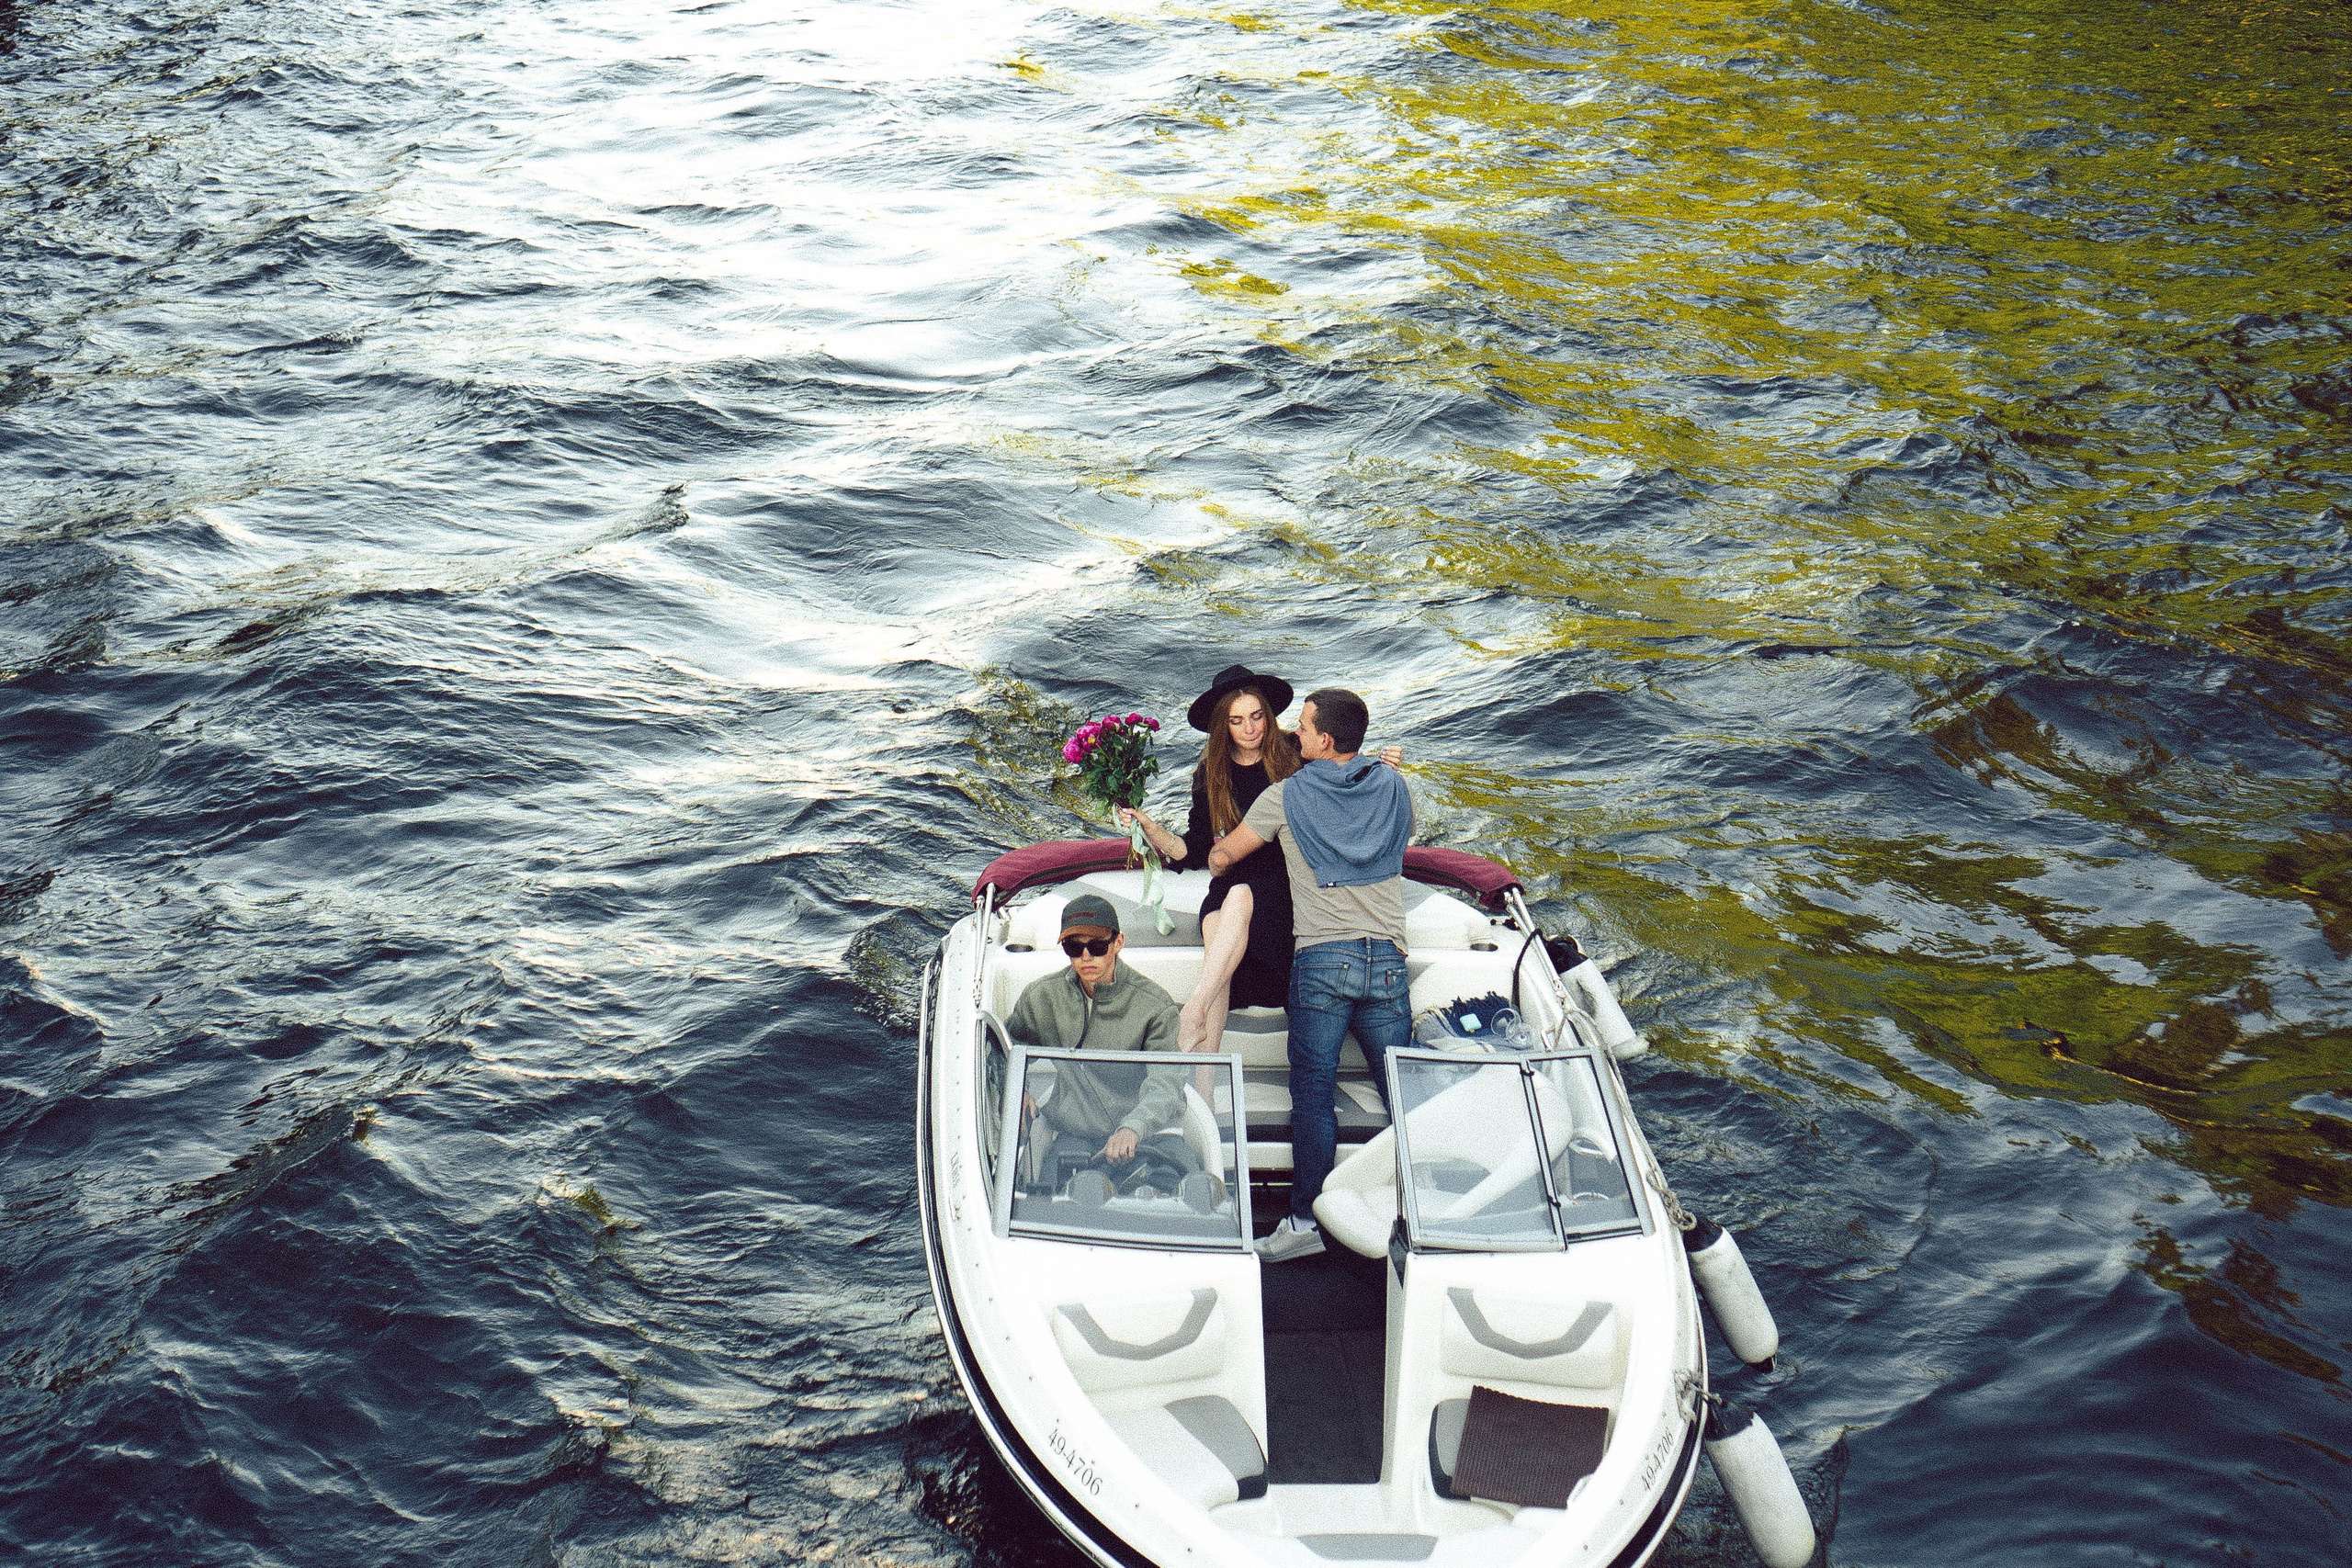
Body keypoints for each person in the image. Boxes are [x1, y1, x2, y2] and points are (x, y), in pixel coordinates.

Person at [1207, 688, 1414, 1261]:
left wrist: (1216, 856)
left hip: (1323, 962)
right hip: (1387, 960)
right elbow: (1394, 835)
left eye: (1302, 726)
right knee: (1404, 1095)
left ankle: (1304, 1223)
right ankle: (1419, 1209)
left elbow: (1226, 855)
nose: (1293, 733)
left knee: (1314, 1098)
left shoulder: (1284, 796)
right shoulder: (1395, 786)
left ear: (1324, 740)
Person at [1122, 665, 1402, 1068]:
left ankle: (1194, 1010)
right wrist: (1152, 830)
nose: (1250, 728)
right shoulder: (1211, 771)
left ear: (1268, 716)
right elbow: (1195, 849)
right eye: (1237, 721)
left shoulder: (1295, 750)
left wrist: (1384, 765)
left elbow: (1342, 770)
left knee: (1238, 897)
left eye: (1256, 717)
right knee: (1216, 927)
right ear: (1223, 725)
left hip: (1287, 880)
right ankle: (1205, 1080)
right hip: (1233, 876)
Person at [1005, 894, 1185, 1179]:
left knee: (1186, 1194)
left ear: (1118, 943)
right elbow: (1003, 1050)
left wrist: (1132, 1129)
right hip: (1076, 1134)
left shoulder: (1155, 1005)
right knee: (1048, 1197)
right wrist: (1017, 1088)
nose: (1086, 956)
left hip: (1150, 1135)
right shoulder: (1041, 997)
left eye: (1098, 946)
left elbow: (1167, 1082)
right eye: (1074, 947)